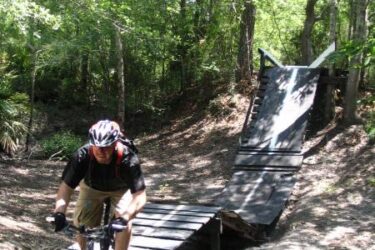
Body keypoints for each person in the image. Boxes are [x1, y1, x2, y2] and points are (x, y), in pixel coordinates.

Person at [51, 120, 146, 250]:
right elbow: (66, 188)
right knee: (81, 222)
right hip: (91, 187)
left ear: (115, 144)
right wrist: (59, 213)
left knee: (123, 220)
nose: (101, 151)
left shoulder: (128, 159)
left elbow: (140, 196)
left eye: (106, 147)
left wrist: (125, 218)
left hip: (121, 190)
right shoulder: (81, 156)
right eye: (96, 146)